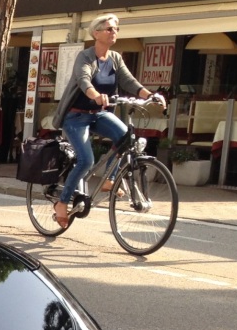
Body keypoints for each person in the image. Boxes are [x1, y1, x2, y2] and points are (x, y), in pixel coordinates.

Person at [51, 13, 164, 228]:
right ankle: (62, 202)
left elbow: (129, 81)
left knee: (126, 138)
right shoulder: (85, 56)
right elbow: (83, 79)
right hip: (75, 116)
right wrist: (95, 95)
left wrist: (150, 95)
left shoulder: (115, 58)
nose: (114, 32)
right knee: (86, 160)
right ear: (96, 33)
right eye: (109, 29)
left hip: (98, 114)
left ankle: (110, 179)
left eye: (116, 29)